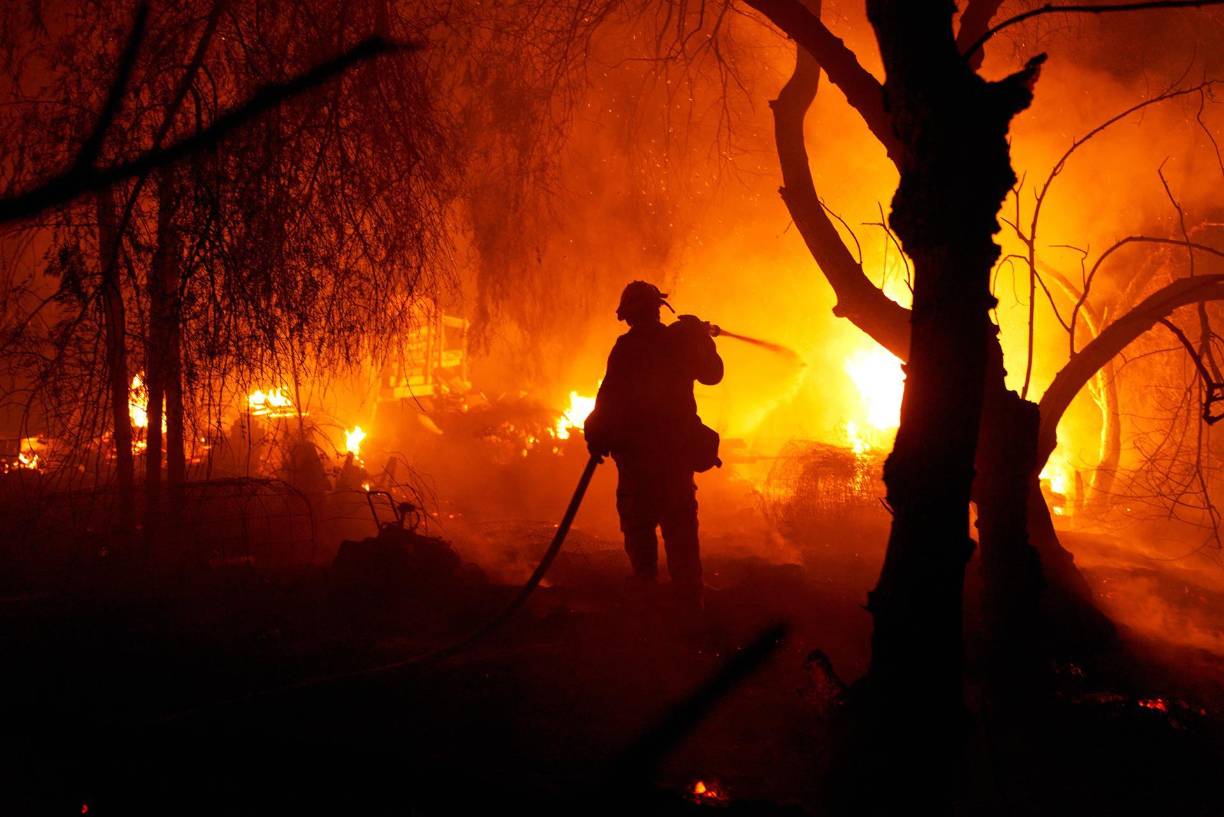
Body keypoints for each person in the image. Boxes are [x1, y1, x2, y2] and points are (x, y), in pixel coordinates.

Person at [583, 281, 724, 608]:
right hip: (673, 454)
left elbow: (608, 400)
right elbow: (713, 374)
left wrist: (596, 434)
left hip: (638, 458)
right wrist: (700, 339)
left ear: (629, 315)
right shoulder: (678, 344)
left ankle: (647, 592)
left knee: (638, 524)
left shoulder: (627, 348)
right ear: (658, 309)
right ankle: (688, 600)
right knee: (680, 527)